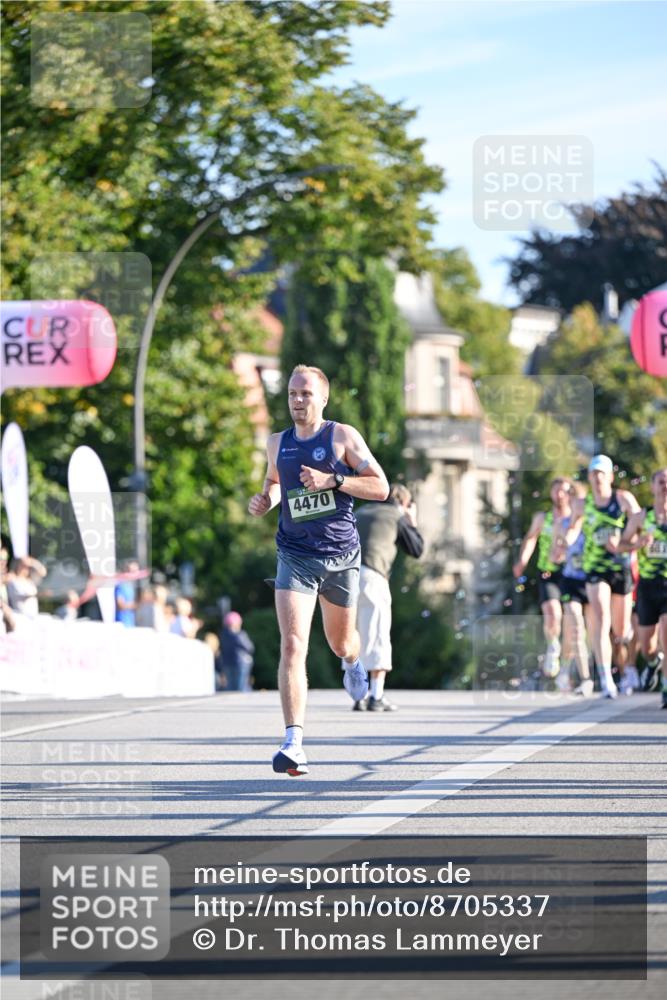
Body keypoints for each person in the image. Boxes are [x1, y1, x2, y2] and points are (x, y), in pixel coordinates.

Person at [247, 364, 389, 776]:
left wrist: (334, 480)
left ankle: (352, 661)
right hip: (294, 555)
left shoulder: (341, 436)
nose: (297, 400)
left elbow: (379, 486)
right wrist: (266, 501)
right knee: (293, 645)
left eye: (306, 393)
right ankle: (293, 742)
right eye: (292, 393)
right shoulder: (278, 443)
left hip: (341, 555)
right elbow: (275, 484)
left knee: (341, 642)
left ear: (322, 398)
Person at [567, 455, 640, 698]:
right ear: (589, 477)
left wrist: (625, 542)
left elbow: (642, 523)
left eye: (601, 473)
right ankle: (606, 677)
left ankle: (627, 666)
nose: (597, 478)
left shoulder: (623, 499)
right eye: (593, 473)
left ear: (609, 476)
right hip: (595, 570)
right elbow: (572, 530)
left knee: (620, 631)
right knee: (600, 616)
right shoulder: (581, 504)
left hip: (620, 569)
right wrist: (562, 543)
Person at [353, 483, 424, 711]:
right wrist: (412, 520)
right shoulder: (396, 516)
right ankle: (376, 696)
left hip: (344, 577)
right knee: (377, 634)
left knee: (354, 637)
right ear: (404, 503)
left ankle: (358, 696)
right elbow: (416, 549)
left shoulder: (360, 512)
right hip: (373, 577)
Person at [513, 478, 574, 679]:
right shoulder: (543, 517)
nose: (559, 495)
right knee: (552, 613)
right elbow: (531, 538)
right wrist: (522, 560)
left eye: (563, 491)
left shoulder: (575, 517)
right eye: (555, 490)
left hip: (570, 573)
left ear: (569, 494)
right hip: (547, 572)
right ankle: (552, 646)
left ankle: (566, 666)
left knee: (571, 622)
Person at [620, 467, 667, 708]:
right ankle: (652, 662)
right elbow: (621, 544)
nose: (665, 486)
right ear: (652, 487)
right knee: (647, 645)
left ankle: (666, 687)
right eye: (660, 481)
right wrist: (638, 543)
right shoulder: (641, 517)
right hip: (648, 587)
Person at [220, 611, 255, 692]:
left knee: (230, 686)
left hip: (227, 662)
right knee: (241, 686)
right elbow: (249, 647)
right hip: (240, 663)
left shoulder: (223, 635)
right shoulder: (239, 634)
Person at [114, 559, 139, 627]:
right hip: (121, 624)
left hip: (130, 623)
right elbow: (121, 605)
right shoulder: (120, 585)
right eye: (133, 571)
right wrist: (136, 605)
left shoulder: (131, 585)